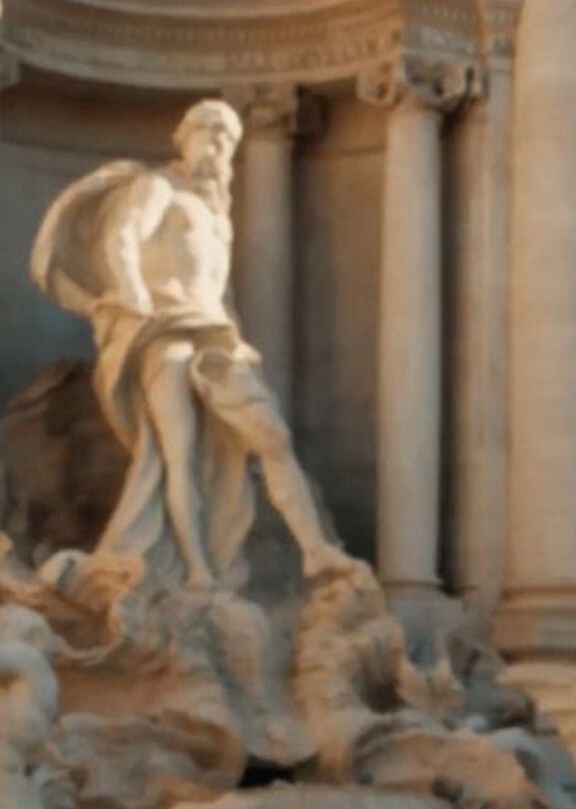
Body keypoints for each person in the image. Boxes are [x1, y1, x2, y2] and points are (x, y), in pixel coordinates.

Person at [29, 98, 348, 590]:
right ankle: (197, 568)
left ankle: (315, 551)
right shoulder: (159, 186)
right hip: (165, 332)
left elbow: (222, 291)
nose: (219, 145)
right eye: (210, 132)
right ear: (186, 136)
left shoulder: (217, 212)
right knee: (179, 452)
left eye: (228, 139)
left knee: (271, 436)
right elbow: (123, 238)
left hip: (217, 337)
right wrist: (135, 295)